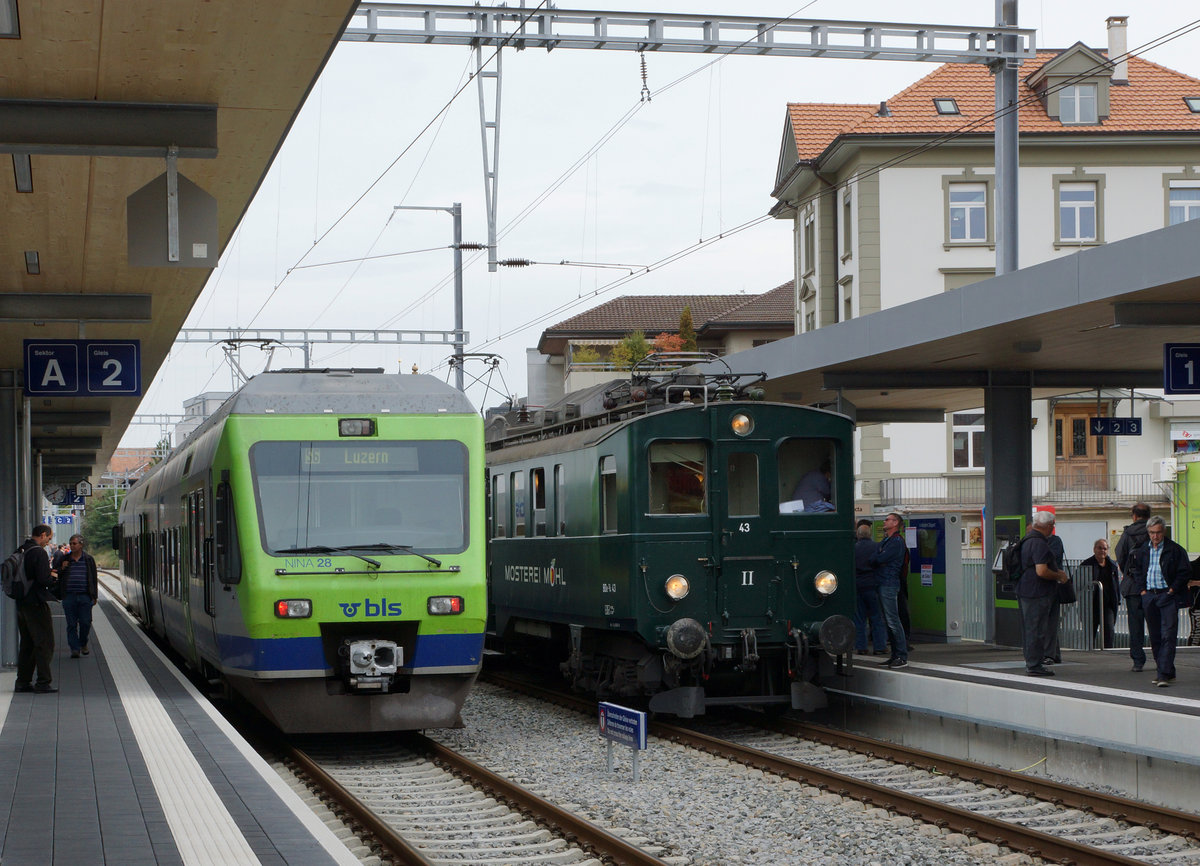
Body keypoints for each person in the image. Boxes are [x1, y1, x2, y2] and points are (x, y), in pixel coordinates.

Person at [1129, 516, 1191, 687]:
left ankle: (1162, 674)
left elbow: (1184, 572)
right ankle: (1166, 671)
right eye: (1151, 533)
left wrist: (1172, 590)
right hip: (1149, 595)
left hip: (1167, 596)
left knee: (1168, 635)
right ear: (1148, 533)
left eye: (1158, 533)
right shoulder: (1143, 550)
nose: (1155, 536)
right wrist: (1142, 591)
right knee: (1155, 636)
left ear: (1163, 531)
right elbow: (1137, 570)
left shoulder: (1175, 550)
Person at [1017, 510, 1070, 677]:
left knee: (1030, 629)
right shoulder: (1039, 543)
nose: (1052, 529)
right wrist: (1059, 576)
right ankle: (1034, 665)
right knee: (1037, 629)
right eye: (1052, 525)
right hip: (1037, 591)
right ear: (1048, 526)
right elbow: (1041, 571)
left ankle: (1032, 662)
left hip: (1026, 589)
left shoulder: (1027, 540)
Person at [13, 524, 58, 694]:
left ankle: (22, 682)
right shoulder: (38, 552)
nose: (49, 541)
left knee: (27, 643)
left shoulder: (21, 549)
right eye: (49, 538)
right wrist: (54, 576)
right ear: (43, 535)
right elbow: (43, 579)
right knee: (44, 642)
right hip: (36, 603)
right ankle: (43, 682)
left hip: (21, 603)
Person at [868, 512, 908, 668]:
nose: (884, 522)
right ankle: (895, 655)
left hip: (889, 583)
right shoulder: (886, 540)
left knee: (893, 620)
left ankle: (902, 655)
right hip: (883, 581)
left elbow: (879, 559)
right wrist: (878, 559)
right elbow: (874, 558)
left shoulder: (896, 542)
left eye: (888, 519)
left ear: (896, 523)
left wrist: (878, 558)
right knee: (888, 620)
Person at [1114, 502, 1151, 672]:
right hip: (1153, 585)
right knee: (1156, 624)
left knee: (1135, 625)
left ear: (1134, 516)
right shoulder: (1154, 532)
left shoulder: (1127, 533)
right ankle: (1161, 658)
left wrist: (1128, 570)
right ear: (1148, 516)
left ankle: (1138, 661)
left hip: (1133, 586)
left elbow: (1119, 554)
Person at [59, 534, 99, 659]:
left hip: (85, 596)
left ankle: (83, 643)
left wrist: (94, 596)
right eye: (70, 543)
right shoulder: (64, 559)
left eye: (74, 543)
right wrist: (62, 568)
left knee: (85, 622)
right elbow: (57, 574)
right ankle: (74, 649)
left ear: (81, 544)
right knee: (71, 624)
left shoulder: (88, 559)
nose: (72, 546)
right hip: (69, 596)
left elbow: (93, 577)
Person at [854, 522, 887, 655]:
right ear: (870, 534)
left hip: (857, 586)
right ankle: (879, 646)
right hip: (873, 586)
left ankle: (861, 646)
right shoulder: (877, 547)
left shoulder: (853, 548)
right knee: (876, 617)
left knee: (859, 618)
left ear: (858, 534)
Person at [1079, 538, 1119, 649]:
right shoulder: (1086, 565)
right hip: (1091, 604)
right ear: (1094, 549)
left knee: (1109, 630)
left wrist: (1117, 600)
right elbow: (1077, 582)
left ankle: (1108, 652)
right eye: (1099, 548)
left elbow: (1116, 586)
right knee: (1090, 631)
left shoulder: (1112, 565)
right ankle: (1088, 652)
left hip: (1108, 604)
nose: (1102, 551)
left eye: (1105, 548)